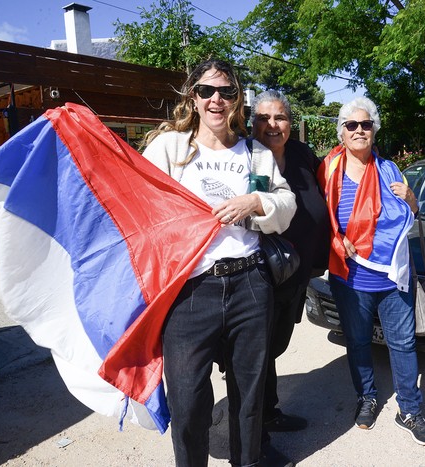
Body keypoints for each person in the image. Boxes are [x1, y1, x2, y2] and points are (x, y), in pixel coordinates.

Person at [141, 58, 296, 467]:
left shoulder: (255, 154)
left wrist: (256, 201)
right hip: (190, 289)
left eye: (226, 92)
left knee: (249, 397)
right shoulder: (169, 148)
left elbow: (286, 203)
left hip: (249, 284)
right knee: (188, 401)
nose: (216, 99)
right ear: (193, 97)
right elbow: (139, 204)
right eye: (207, 91)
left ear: (237, 100)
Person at [317, 97, 425, 446]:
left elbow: (411, 217)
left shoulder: (389, 171)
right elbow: (317, 219)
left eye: (365, 125)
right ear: (341, 132)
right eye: (351, 125)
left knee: (402, 344)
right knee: (357, 342)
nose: (359, 130)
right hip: (349, 278)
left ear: (374, 130)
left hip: (392, 278)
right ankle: (367, 398)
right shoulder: (328, 172)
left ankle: (410, 410)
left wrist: (412, 199)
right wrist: (336, 242)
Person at [251, 90, 330, 466]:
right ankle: (256, 432)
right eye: (264, 117)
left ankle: (268, 409)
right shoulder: (247, 157)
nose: (273, 125)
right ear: (252, 122)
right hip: (259, 274)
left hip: (297, 273)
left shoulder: (301, 154)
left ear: (290, 121)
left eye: (280, 117)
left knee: (276, 345)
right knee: (256, 351)